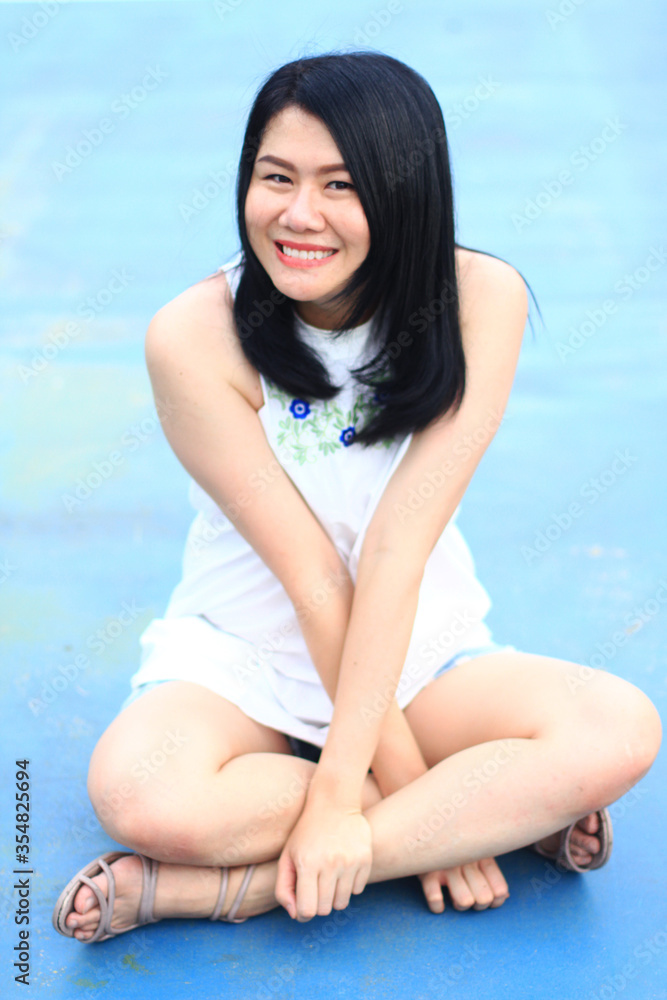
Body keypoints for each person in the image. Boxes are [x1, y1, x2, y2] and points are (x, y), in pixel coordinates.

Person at [53, 51, 661, 943]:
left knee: (618, 728)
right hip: (245, 660)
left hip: (412, 651)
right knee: (139, 794)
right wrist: (416, 801)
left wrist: (349, 803)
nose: (299, 215)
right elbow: (311, 579)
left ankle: (232, 889)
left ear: (405, 192)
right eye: (276, 178)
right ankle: (478, 813)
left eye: (340, 185)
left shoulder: (476, 298)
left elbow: (393, 553)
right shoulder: (192, 335)